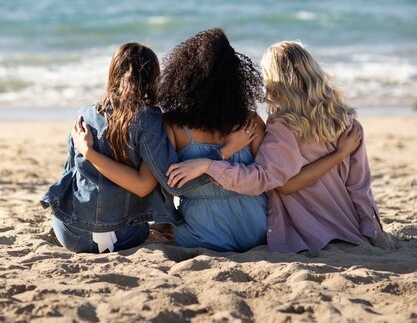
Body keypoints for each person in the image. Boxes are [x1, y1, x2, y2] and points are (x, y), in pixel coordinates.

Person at [72, 30, 362, 252]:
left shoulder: (171, 124)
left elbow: (168, 182)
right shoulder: (250, 120)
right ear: (235, 80)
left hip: (202, 234)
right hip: (257, 231)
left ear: (183, 77)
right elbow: (268, 179)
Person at [167, 41, 396, 253]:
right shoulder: (348, 121)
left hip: (308, 231)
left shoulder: (282, 125)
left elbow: (279, 184)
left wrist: (210, 164)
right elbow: (360, 187)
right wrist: (372, 230)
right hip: (348, 226)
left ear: (275, 80)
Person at [41, 42, 182, 253]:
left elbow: (69, 173)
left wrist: (89, 152)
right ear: (153, 78)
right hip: (126, 237)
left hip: (72, 234)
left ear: (113, 73)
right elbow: (151, 184)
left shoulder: (85, 114)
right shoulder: (149, 119)